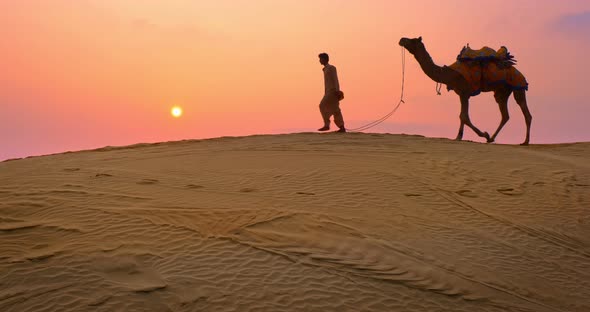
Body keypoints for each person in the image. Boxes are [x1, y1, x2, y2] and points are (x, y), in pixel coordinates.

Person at [317, 53, 346, 132]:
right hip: (328, 91)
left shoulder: (331, 68)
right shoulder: (325, 69)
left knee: (322, 105)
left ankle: (327, 124)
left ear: (325, 59)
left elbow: (335, 79)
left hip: (333, 91)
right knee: (336, 109)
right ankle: (341, 127)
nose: (319, 61)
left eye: (321, 59)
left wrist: (337, 90)